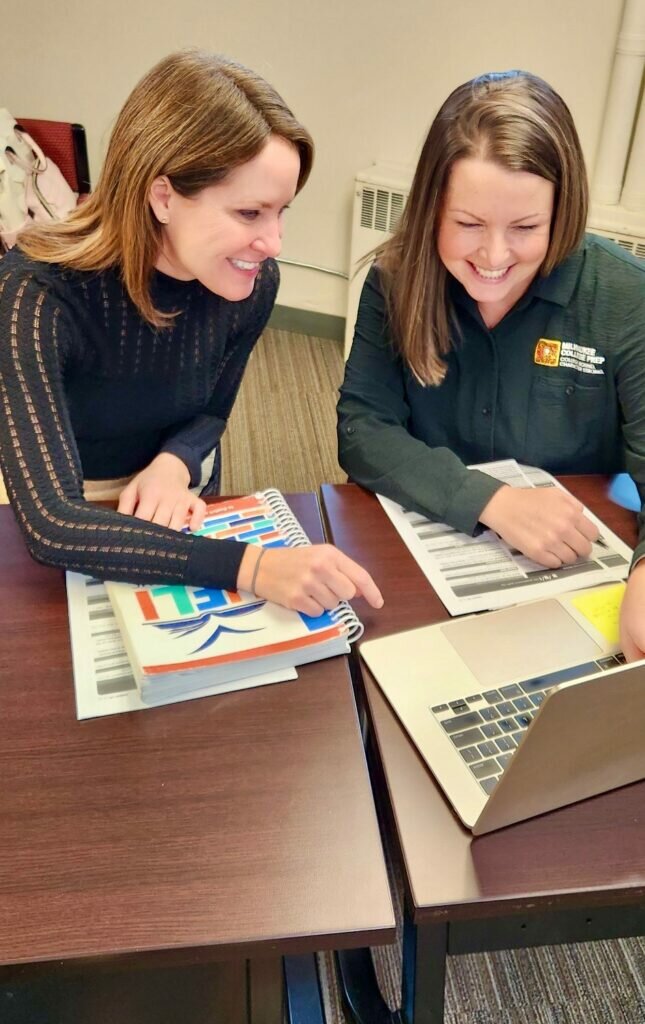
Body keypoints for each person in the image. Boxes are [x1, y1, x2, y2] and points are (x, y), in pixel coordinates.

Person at [0, 49, 382, 616]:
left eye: (282, 211)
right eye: (250, 213)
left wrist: (175, 462)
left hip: (174, 492)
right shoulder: (35, 292)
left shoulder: (253, 283)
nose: (274, 243)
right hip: (61, 502)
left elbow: (212, 411)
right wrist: (253, 567)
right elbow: (52, 523)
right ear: (163, 197)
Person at [337, 69, 645, 651]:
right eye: (468, 224)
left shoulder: (627, 297)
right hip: (425, 553)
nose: (495, 255)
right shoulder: (395, 279)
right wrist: (492, 502)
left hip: (575, 565)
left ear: (562, 213)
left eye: (525, 227)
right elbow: (363, 430)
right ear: (432, 209)